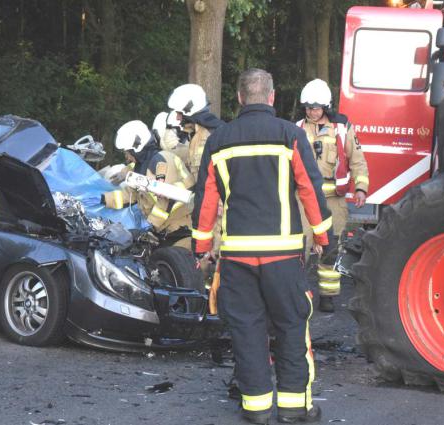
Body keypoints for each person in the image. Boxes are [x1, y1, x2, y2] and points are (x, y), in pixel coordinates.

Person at [192, 68, 330, 424]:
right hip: (283, 256)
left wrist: (202, 246)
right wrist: (322, 236)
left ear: (239, 98)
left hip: (237, 257)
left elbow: (206, 200)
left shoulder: (219, 140)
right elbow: (310, 189)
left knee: (247, 330)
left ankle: (256, 410)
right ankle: (294, 408)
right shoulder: (290, 135)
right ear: (271, 97)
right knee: (290, 328)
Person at [296, 79, 369, 313]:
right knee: (299, 247)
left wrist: (360, 187)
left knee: (330, 249)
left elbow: (357, 159)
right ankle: (296, 293)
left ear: (325, 107)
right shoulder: (297, 128)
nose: (311, 112)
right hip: (303, 201)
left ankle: (327, 296)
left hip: (333, 202)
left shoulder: (342, 129)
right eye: (308, 107)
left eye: (315, 108)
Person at [102, 120, 195, 248]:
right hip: (166, 228)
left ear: (137, 147)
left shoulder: (161, 162)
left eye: (127, 153)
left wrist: (150, 225)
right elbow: (131, 194)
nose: (127, 158)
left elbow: (166, 199)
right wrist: (104, 199)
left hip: (183, 227)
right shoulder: (141, 166)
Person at [166, 83, 225, 177]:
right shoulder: (197, 134)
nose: (177, 118)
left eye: (179, 113)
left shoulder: (209, 135)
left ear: (189, 109)